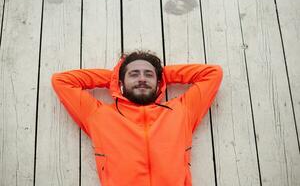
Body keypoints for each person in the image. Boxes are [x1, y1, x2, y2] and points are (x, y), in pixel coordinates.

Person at [51, 50, 223, 186]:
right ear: (120, 82)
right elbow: (62, 81)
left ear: (159, 83)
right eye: (134, 74)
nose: (142, 79)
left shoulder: (181, 111)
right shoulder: (99, 115)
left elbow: (213, 74)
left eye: (149, 74)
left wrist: (163, 75)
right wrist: (114, 77)